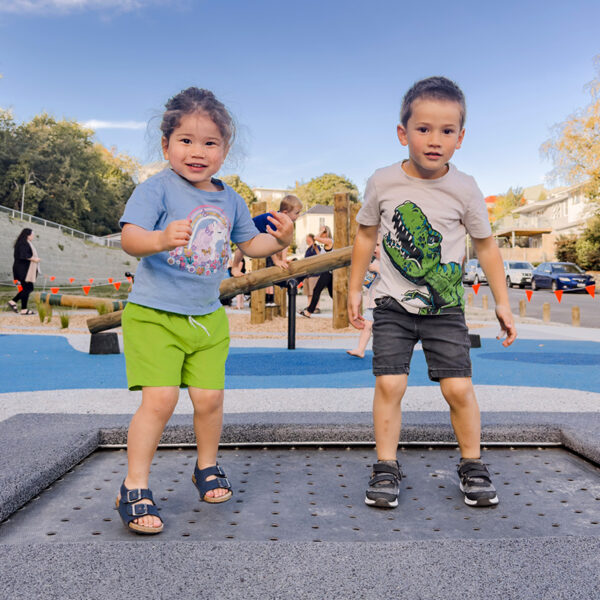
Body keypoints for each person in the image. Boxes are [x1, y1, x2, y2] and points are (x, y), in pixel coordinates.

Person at [117, 87, 293, 534]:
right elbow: (131, 238)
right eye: (186, 141)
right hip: (155, 314)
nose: (198, 152)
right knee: (160, 400)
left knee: (210, 399)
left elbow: (251, 245)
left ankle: (207, 467)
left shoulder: (230, 199)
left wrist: (284, 240)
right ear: (166, 145)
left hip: (207, 317)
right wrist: (159, 239)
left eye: (210, 143)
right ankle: (134, 487)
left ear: (225, 150)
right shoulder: (156, 188)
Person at [348, 76, 516, 510]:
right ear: (403, 133)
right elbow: (366, 237)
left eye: (446, 131)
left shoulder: (465, 187)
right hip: (391, 304)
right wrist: (354, 290)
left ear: (460, 138)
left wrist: (502, 301)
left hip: (446, 309)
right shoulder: (383, 182)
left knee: (458, 388)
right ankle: (386, 464)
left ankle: (472, 463)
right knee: (390, 382)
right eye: (423, 129)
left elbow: (487, 245)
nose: (434, 140)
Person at [230, 194, 302, 304]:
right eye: (296, 213)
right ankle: (235, 267)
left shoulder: (287, 224)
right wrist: (276, 261)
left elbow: (284, 244)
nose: (298, 216)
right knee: (241, 248)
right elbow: (272, 240)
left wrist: (283, 259)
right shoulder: (276, 220)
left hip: (260, 235)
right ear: (285, 213)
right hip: (248, 230)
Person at [347, 236, 381, 358]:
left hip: (385, 304)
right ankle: (360, 349)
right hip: (373, 303)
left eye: (378, 245)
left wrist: (374, 268)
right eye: (374, 245)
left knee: (383, 330)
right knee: (367, 325)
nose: (374, 249)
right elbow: (367, 281)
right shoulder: (375, 262)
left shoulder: (388, 264)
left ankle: (383, 352)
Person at [298, 225, 334, 317]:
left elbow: (315, 238)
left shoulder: (330, 241)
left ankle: (309, 312)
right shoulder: (326, 244)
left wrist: (321, 232)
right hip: (327, 271)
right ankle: (347, 307)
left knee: (317, 290)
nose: (320, 233)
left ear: (326, 233)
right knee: (332, 294)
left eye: (322, 232)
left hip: (328, 272)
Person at [9, 228, 41, 315]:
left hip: (23, 269)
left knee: (26, 288)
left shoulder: (24, 242)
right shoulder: (23, 243)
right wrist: (35, 259)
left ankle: (21, 307)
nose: (33, 237)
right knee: (29, 288)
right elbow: (23, 255)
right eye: (32, 235)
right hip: (22, 270)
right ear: (27, 235)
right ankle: (16, 304)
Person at [302, 233, 321, 307]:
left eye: (307, 238)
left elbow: (319, 256)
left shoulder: (315, 247)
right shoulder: (308, 248)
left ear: (311, 238)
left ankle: (317, 307)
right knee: (308, 292)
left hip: (314, 273)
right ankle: (309, 306)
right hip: (307, 274)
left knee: (314, 291)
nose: (306, 239)